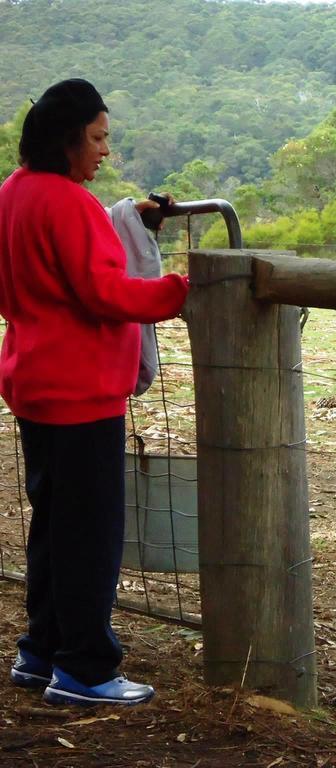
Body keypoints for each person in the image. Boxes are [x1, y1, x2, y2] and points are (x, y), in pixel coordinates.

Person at [0, 79, 190, 706]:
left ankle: (40, 652)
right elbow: (104, 292)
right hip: (83, 391)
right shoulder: (69, 203)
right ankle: (85, 668)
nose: (105, 149)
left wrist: (127, 218)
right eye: (99, 137)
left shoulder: (12, 194)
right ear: (68, 137)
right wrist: (177, 291)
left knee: (54, 523)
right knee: (91, 532)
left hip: (34, 382)